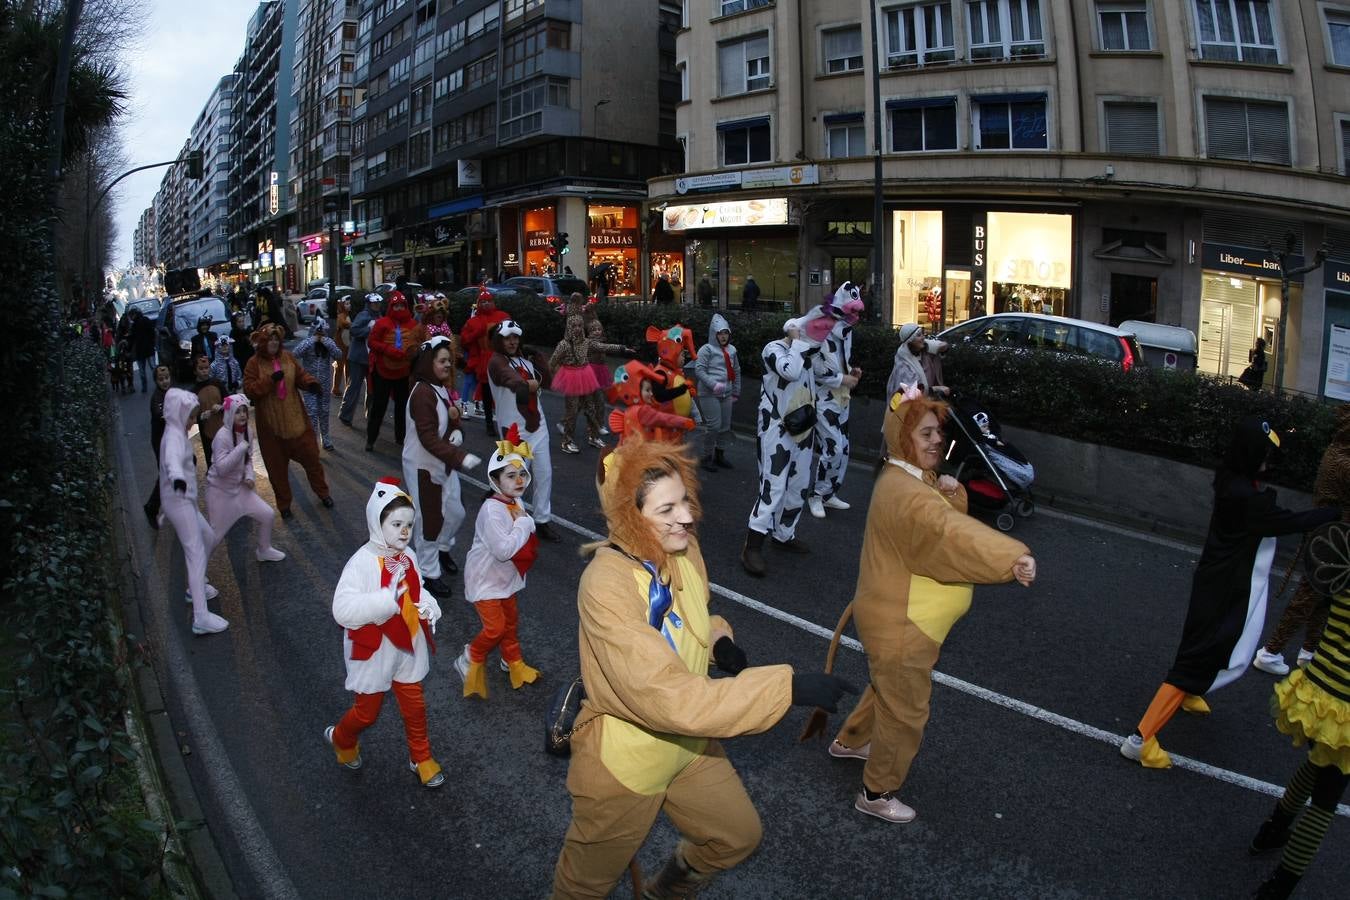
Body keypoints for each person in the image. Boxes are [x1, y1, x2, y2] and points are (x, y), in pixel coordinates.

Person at [549, 438, 856, 897]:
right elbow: (666, 695)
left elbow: (692, 614)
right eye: (667, 509)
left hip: (690, 743)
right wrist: (786, 688)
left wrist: (720, 642)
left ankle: (663, 893)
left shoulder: (684, 548)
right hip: (627, 760)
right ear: (630, 516)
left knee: (736, 836)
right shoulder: (605, 583)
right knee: (584, 887)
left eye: (685, 501)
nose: (686, 517)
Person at [816, 386, 1034, 823]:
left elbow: (940, 515)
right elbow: (945, 534)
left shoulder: (904, 478)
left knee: (886, 688)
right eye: (926, 433)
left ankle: (850, 741)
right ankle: (876, 793)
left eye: (938, 433)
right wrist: (1011, 557)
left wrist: (951, 491)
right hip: (901, 625)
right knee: (906, 710)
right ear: (903, 439)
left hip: (890, 617)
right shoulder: (908, 492)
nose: (937, 440)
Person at [1120, 416, 1338, 768]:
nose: (1269, 462)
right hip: (1224, 588)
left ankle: (1191, 692)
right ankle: (1140, 740)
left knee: (1208, 647)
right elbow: (1288, 522)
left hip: (1217, 580)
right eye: (1265, 454)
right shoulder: (1247, 498)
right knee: (1195, 659)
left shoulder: (1233, 481)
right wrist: (1332, 513)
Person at [1248, 522, 1350, 900]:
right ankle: (1281, 884)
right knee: (1327, 800)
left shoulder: (1343, 551)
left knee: (1318, 762)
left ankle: (1272, 830)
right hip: (1348, 706)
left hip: (1320, 689)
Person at [323, 479, 446, 789]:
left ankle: (420, 756)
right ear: (377, 522)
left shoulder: (409, 557)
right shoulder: (360, 563)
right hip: (375, 649)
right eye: (396, 524)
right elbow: (342, 610)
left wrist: (429, 607)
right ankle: (341, 737)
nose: (404, 531)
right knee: (367, 714)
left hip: (408, 645)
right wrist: (384, 601)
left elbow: (418, 592)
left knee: (415, 705)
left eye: (408, 524)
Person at [1255, 407, 1350, 676]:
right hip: (1333, 539)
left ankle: (1308, 652)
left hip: (1330, 536)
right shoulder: (1344, 463)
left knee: (1322, 595)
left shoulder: (1336, 453)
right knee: (1310, 595)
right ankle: (1271, 651)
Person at [455, 425, 542, 699]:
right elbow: (504, 549)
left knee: (511, 621)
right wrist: (524, 526)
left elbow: (520, 535)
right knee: (495, 628)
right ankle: (471, 655)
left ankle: (512, 660)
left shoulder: (515, 502)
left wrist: (523, 523)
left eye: (522, 474)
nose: (519, 481)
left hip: (505, 577)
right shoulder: (492, 510)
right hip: (485, 578)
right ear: (495, 479)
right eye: (511, 476)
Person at [402, 336, 481, 599]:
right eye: (442, 361)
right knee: (429, 521)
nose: (449, 365)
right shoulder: (422, 393)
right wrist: (459, 456)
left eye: (449, 360)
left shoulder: (440, 389)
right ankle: (428, 571)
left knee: (456, 512)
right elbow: (427, 437)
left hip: (443, 462)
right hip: (423, 466)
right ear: (428, 363)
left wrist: (457, 432)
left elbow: (451, 421)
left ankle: (443, 547)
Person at [741, 318, 818, 577]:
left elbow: (823, 374)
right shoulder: (773, 349)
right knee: (772, 486)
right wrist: (797, 342)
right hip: (776, 429)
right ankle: (752, 545)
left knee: (799, 484)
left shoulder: (804, 352)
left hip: (803, 428)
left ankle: (784, 534)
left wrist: (845, 377)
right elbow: (789, 371)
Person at [243, 324, 334, 519]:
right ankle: (284, 505)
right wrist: (269, 381)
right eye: (270, 339)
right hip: (272, 429)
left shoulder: (288, 357)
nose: (274, 342)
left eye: (276, 339)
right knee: (277, 471)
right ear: (263, 342)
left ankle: (323, 493)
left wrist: (311, 383)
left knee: (312, 459)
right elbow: (249, 390)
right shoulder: (253, 363)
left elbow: (300, 375)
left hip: (297, 424)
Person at [158, 387, 229, 635]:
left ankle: (193, 587)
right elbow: (171, 460)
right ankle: (200, 617)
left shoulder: (175, 431)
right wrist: (177, 477)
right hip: (178, 501)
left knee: (208, 538)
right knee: (196, 551)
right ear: (179, 414)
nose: (193, 422)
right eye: (190, 417)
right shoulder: (175, 438)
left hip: (183, 500)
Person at [487, 319, 560, 542]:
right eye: (507, 338)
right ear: (499, 340)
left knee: (544, 473)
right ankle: (512, 521)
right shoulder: (496, 362)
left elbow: (547, 381)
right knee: (516, 479)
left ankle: (542, 519)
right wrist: (524, 384)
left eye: (515, 337)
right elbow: (511, 380)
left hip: (538, 426)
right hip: (513, 430)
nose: (512, 342)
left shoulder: (524, 361)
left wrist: (537, 357)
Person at [204, 394, 286, 562]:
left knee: (268, 514)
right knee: (214, 537)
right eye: (237, 412)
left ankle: (264, 550)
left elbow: (247, 460)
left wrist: (249, 476)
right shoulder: (222, 437)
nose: (242, 415)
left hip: (240, 489)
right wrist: (240, 448)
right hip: (220, 493)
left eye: (244, 411)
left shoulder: (247, 431)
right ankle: (196, 578)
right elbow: (221, 469)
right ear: (229, 414)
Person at [808, 284, 866, 518]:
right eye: (853, 311)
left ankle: (829, 492)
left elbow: (840, 361)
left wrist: (852, 372)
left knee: (843, 448)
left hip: (842, 398)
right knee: (833, 447)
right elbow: (814, 367)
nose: (856, 317)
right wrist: (843, 378)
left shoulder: (845, 331)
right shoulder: (821, 326)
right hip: (824, 398)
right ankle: (816, 494)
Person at [549, 296, 626, 453]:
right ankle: (567, 441)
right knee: (572, 412)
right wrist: (558, 376)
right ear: (569, 327)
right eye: (574, 325)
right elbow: (552, 363)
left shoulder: (586, 342)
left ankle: (594, 436)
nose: (577, 328)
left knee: (591, 408)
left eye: (579, 325)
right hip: (571, 379)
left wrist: (622, 348)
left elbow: (603, 346)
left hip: (585, 377)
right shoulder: (563, 345)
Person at [365, 291, 425, 451]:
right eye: (396, 305)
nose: (399, 308)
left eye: (402, 305)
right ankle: (371, 439)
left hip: (403, 372)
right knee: (378, 406)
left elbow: (420, 343)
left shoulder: (413, 325)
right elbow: (372, 342)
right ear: (391, 306)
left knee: (403, 407)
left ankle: (401, 437)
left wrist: (414, 352)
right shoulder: (382, 323)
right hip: (383, 371)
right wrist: (388, 350)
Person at [605, 360, 696, 445]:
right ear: (635, 391)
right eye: (647, 390)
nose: (651, 393)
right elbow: (664, 419)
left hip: (630, 453)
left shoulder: (631, 408)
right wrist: (683, 422)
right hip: (643, 455)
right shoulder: (643, 411)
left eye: (651, 390)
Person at [693, 313, 741, 472]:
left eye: (725, 332)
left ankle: (720, 455)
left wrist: (736, 391)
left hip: (726, 393)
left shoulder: (732, 350)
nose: (723, 336)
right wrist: (713, 384)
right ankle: (707, 457)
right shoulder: (706, 350)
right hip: (709, 393)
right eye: (720, 333)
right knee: (714, 426)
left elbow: (736, 370)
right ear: (714, 334)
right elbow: (699, 370)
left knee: (725, 427)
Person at [458, 286, 510, 431]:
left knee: (503, 393)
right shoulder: (474, 321)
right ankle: (489, 422)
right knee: (487, 393)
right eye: (483, 302)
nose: (486, 304)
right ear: (478, 304)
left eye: (488, 301)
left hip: (501, 360)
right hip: (484, 361)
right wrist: (477, 333)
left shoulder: (502, 316)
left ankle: (504, 421)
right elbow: (464, 340)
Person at [294, 315, 341, 451]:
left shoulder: (328, 342)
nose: (319, 335)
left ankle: (325, 438)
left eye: (321, 332)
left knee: (324, 411)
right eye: (317, 332)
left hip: (324, 385)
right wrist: (312, 340)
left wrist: (326, 342)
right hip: (309, 384)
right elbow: (295, 353)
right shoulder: (308, 343)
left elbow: (338, 355)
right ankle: (312, 441)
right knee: (312, 412)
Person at [143, 364, 174, 528]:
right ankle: (152, 507)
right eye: (161, 379)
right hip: (161, 443)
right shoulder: (157, 397)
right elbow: (160, 414)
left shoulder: (171, 393)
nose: (165, 381)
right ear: (156, 381)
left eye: (167, 378)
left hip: (172, 441)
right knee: (166, 476)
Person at [339, 293, 375, 428]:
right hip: (358, 358)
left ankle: (371, 414)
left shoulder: (378, 316)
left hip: (370, 359)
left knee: (372, 388)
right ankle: (345, 415)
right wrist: (369, 329)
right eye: (374, 303)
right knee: (354, 387)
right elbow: (354, 330)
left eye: (378, 303)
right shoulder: (364, 315)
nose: (377, 305)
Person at [190, 353, 226, 469]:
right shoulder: (193, 392)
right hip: (207, 434)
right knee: (212, 463)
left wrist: (221, 407)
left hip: (223, 428)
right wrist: (201, 416)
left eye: (206, 368)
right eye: (201, 369)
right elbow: (190, 416)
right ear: (195, 371)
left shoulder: (217, 383)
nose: (205, 371)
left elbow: (230, 401)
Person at [128, 307, 157, 392]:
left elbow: (132, 338)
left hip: (140, 351)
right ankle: (158, 383)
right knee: (153, 367)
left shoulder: (134, 325)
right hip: (148, 348)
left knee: (142, 370)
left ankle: (144, 387)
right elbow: (153, 332)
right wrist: (153, 343)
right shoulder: (145, 320)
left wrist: (129, 349)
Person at [332, 298, 351, 398]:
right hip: (340, 346)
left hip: (346, 345)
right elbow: (343, 324)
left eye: (349, 304)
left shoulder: (347, 315)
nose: (349, 305)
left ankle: (348, 387)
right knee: (339, 367)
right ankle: (336, 388)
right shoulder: (341, 316)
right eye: (347, 304)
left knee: (348, 367)